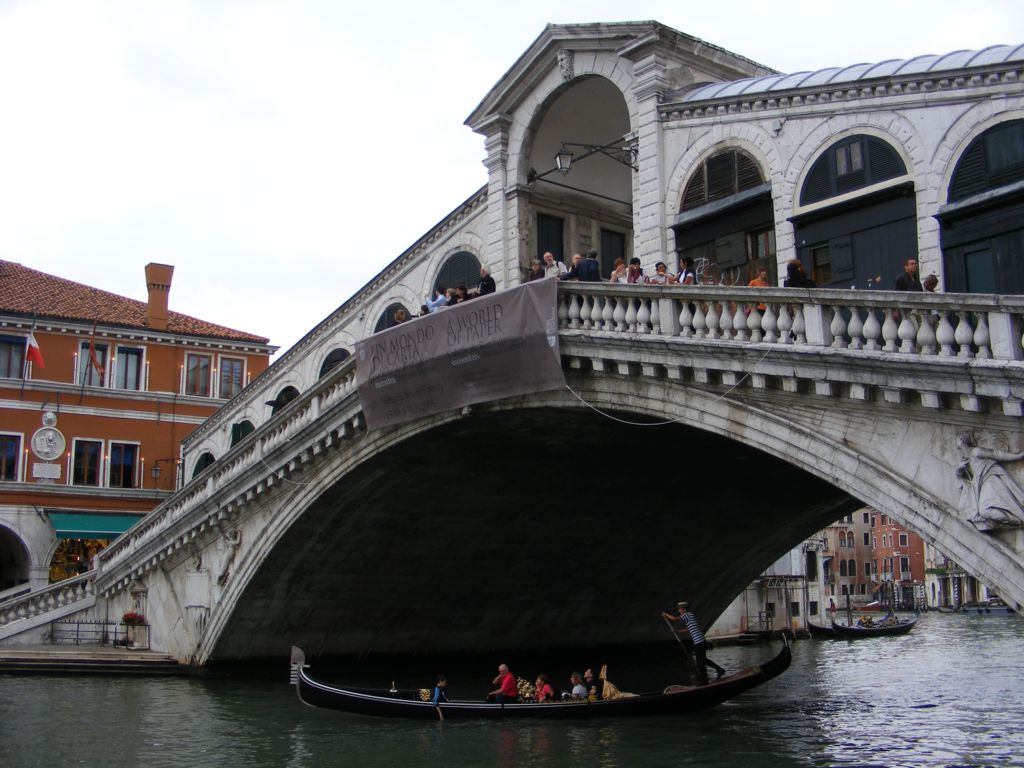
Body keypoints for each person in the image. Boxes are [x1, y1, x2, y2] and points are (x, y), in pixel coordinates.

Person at [661, 601, 725, 685]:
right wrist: (677, 631)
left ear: (684, 609)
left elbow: (675, 619)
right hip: (700, 641)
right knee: (704, 660)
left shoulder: (686, 615)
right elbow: (688, 629)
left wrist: (665, 614)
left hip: (699, 641)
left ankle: (704, 681)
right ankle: (719, 670)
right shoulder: (690, 616)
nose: (679, 611)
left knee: (700, 662)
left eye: (680, 609)